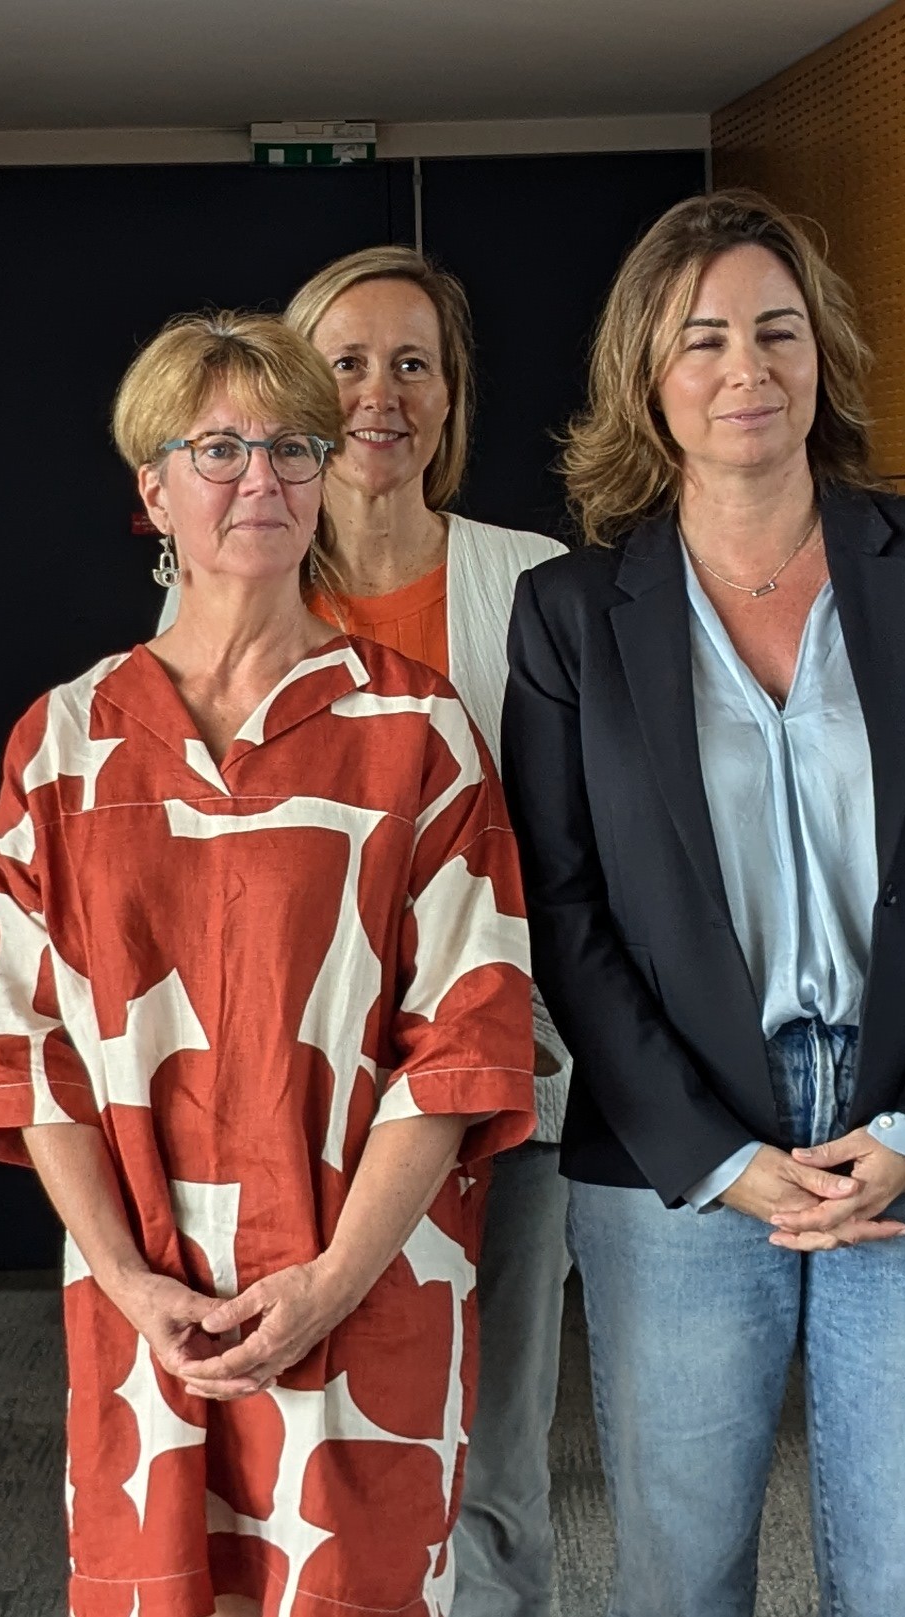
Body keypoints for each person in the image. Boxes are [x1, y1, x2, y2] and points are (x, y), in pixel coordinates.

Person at [499, 189, 905, 1615]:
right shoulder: (571, 615)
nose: (745, 367)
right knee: (680, 1580)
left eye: (776, 329)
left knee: (901, 1581)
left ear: (822, 355)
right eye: (703, 339)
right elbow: (563, 908)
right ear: (649, 374)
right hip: (680, 1155)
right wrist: (721, 1154)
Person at [0, 310, 535, 1616]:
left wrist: (330, 1282)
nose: (262, 478)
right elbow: (21, 1044)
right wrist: (126, 1274)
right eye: (220, 448)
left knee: (358, 1589)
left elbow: (465, 1044)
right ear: (150, 489)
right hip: (146, 1289)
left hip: (367, 1279)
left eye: (293, 447)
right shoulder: (66, 740)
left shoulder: (417, 728)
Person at [286, 246, 572, 1616]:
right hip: (301, 1108)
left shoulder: (537, 584)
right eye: (346, 360)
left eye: (413, 362)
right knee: (320, 1445)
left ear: (452, 400)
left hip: (507, 1095)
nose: (379, 393)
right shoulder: (239, 587)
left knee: (496, 1460)